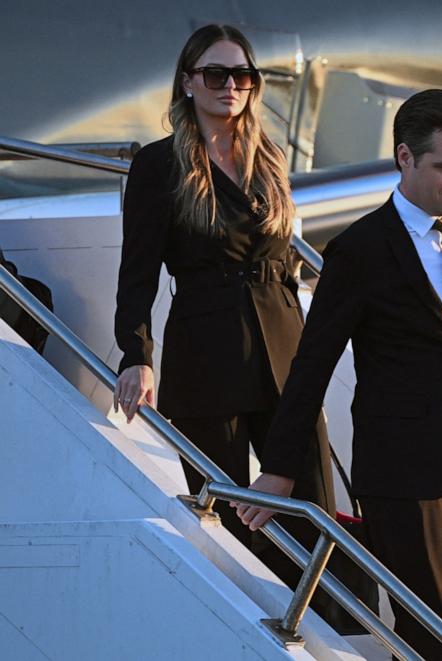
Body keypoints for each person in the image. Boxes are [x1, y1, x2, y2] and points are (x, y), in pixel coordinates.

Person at [237, 88, 442, 659]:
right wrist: (281, 469)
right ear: (405, 159)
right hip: (404, 482)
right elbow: (311, 367)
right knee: (429, 641)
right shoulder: (359, 250)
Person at [113, 23, 337, 619]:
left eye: (242, 76)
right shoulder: (160, 166)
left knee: (313, 507)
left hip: (286, 351)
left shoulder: (269, 157)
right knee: (229, 520)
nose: (230, 86)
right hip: (208, 356)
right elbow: (136, 272)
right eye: (216, 74)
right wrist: (136, 354)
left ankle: (334, 633)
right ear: (188, 82)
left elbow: (286, 261)